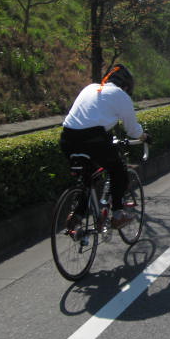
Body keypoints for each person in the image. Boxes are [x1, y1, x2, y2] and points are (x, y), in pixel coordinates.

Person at [60, 63, 148, 229]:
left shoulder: (89, 88)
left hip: (67, 137)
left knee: (89, 176)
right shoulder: (121, 95)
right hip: (94, 139)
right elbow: (132, 129)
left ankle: (77, 214)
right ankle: (118, 214)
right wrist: (144, 137)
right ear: (126, 85)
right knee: (118, 170)